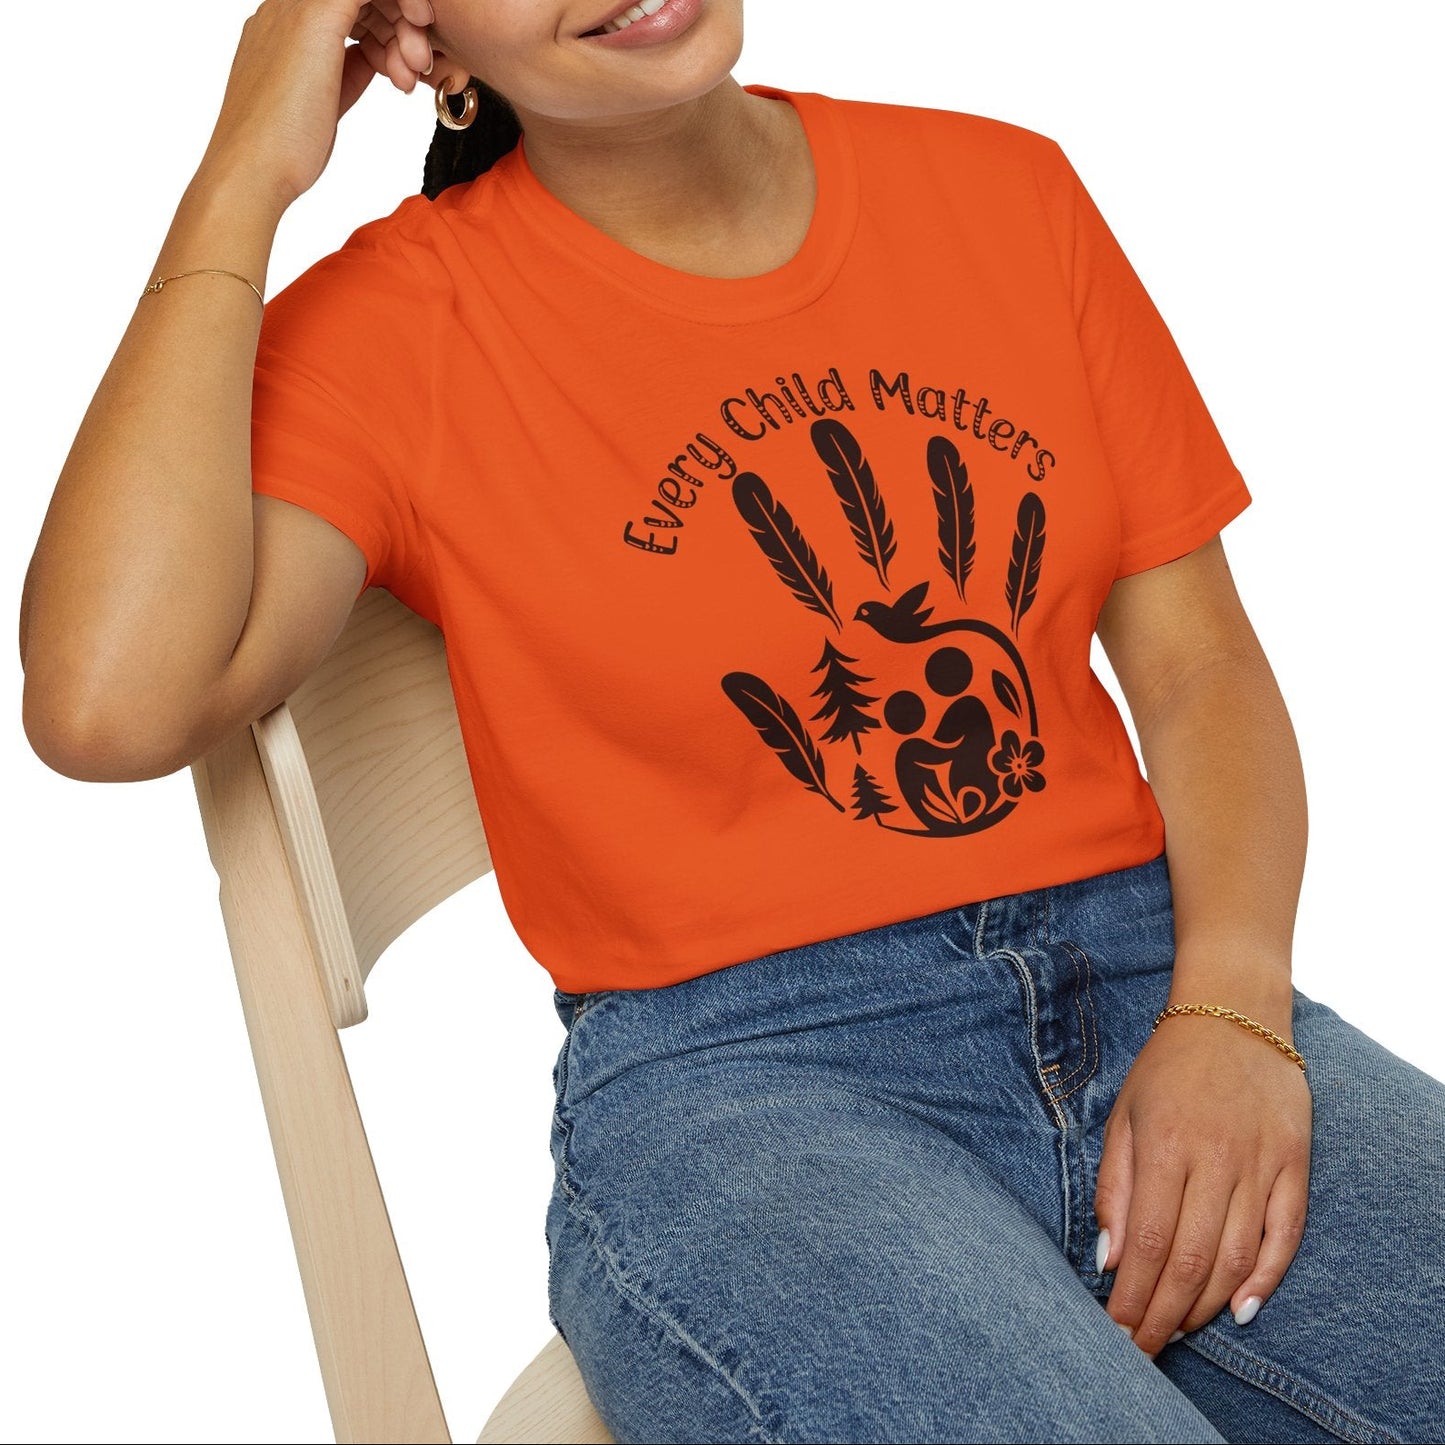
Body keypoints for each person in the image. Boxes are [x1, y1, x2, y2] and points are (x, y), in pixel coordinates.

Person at [16, 3, 1444, 1442]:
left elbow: (1201, 668)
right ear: (420, 37)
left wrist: (1231, 1002)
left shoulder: (1004, 191)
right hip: (748, 1090)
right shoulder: (398, 328)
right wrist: (243, 168)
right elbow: (106, 700)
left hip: (1155, 974)